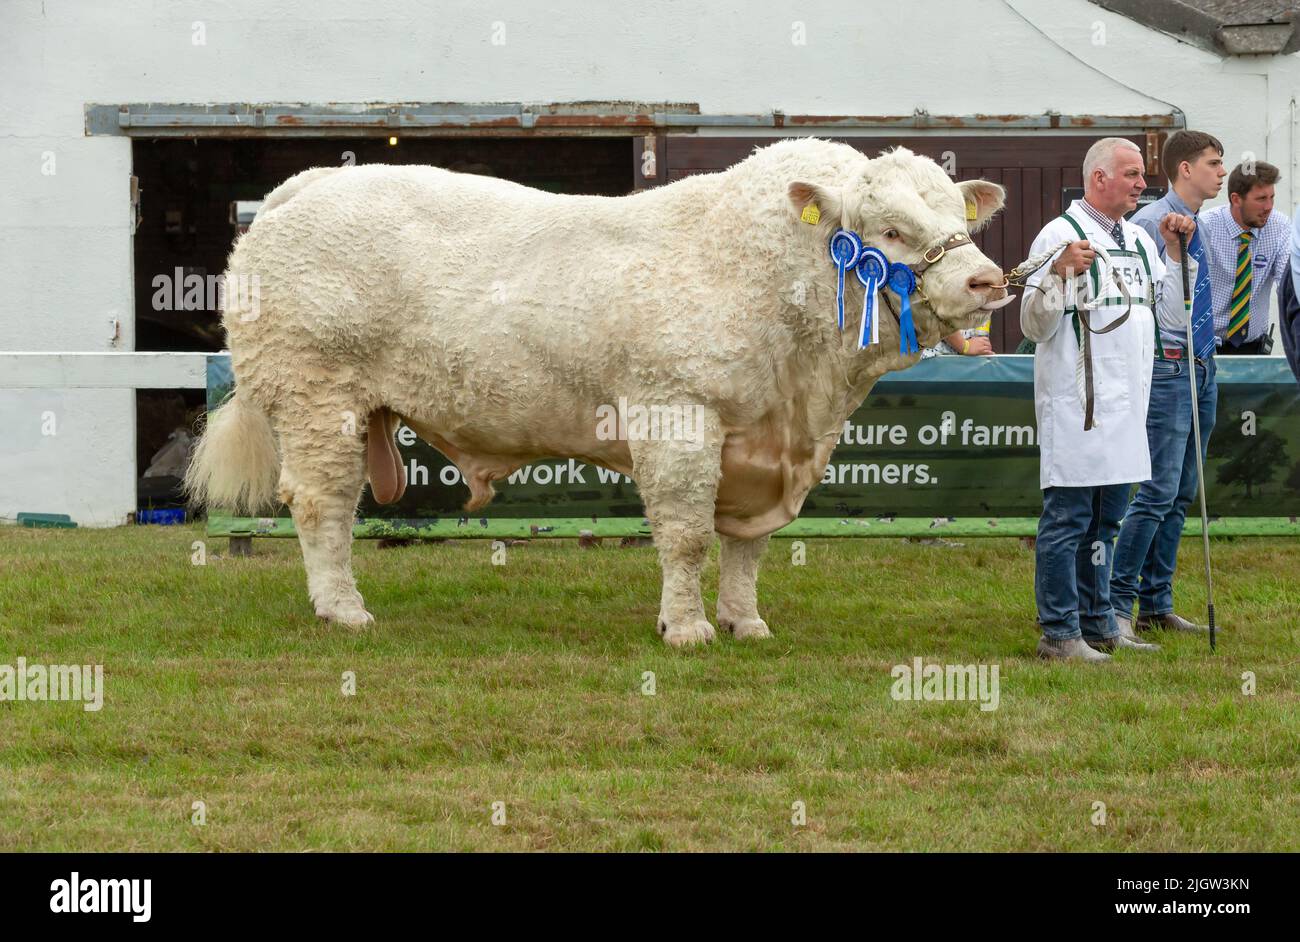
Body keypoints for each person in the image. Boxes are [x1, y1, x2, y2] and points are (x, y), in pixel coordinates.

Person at [1020, 137, 1196, 662]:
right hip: (1079, 403)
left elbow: (1170, 317)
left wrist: (1172, 252)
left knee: (1107, 520)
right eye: (1134, 174)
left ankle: (1099, 624)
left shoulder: (1141, 241)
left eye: (1142, 176)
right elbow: (1033, 322)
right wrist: (1056, 274)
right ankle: (1058, 632)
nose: (1145, 184)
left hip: (1128, 406)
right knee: (1069, 519)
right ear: (1100, 178)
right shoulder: (1060, 235)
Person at [1110, 131, 1225, 636]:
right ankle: (1117, 603)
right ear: (1184, 169)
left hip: (1202, 360)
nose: (1222, 172)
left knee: (1182, 491)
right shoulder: (1150, 224)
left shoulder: (1203, 221)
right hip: (1168, 364)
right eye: (1213, 163)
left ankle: (1157, 602)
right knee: (1156, 491)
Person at [1201, 161, 1290, 354]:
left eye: (1272, 197)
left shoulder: (1279, 225)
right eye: (1260, 199)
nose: (1269, 207)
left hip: (1254, 348)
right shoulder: (1206, 226)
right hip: (1208, 346)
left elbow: (1288, 287)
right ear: (1236, 199)